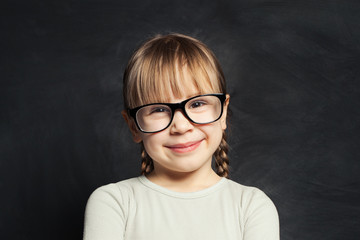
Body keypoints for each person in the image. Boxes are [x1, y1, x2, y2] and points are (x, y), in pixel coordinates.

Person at [83, 33, 279, 240]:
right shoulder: (114, 202)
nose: (181, 126)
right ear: (134, 126)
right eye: (158, 109)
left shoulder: (251, 206)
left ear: (222, 112)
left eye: (197, 104)